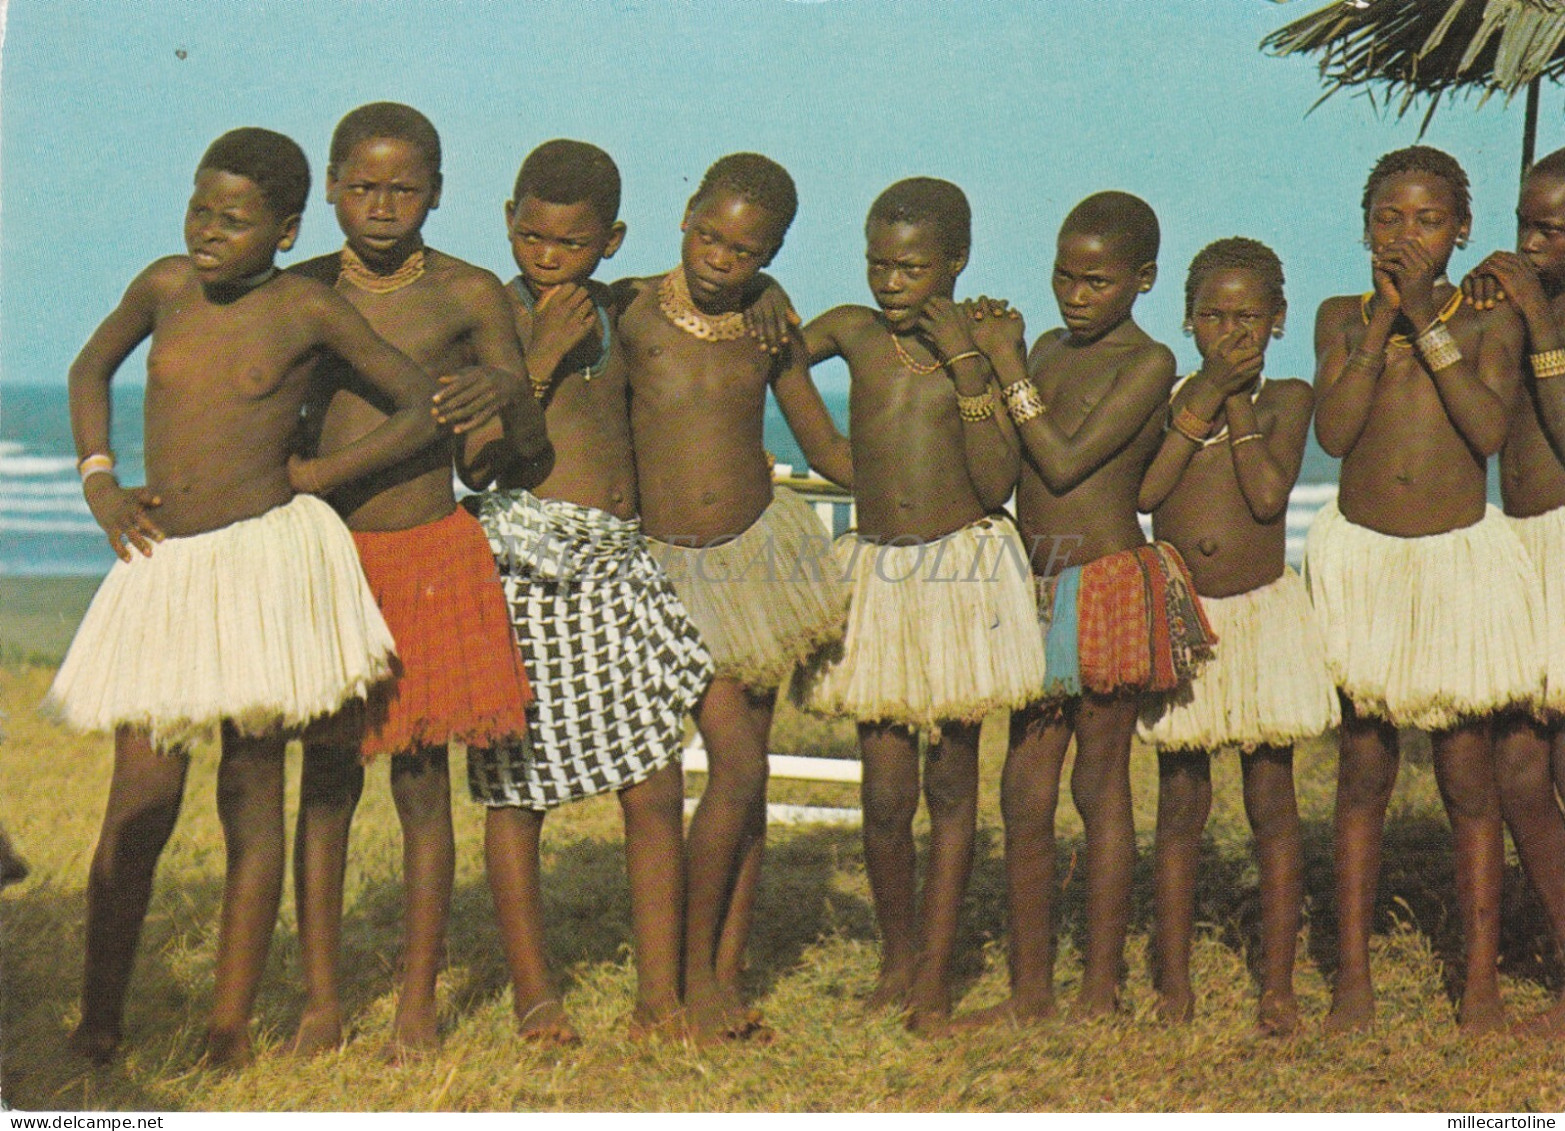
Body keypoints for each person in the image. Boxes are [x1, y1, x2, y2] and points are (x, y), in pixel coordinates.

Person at [47, 127, 441, 1066]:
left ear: (287, 227)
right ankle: (99, 1016)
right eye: (198, 208)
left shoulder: (309, 310)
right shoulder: (163, 287)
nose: (208, 231)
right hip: (164, 565)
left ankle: (227, 1025)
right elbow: (88, 368)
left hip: (262, 568)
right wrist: (100, 481)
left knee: (251, 791)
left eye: (235, 219)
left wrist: (320, 472)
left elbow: (420, 401)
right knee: (139, 794)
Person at [287, 102, 550, 1059]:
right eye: (362, 184)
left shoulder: (471, 293)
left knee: (421, 783)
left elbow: (504, 459)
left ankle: (414, 1004)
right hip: (326, 558)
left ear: (436, 191)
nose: (382, 203)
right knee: (322, 781)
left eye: (403, 187)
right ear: (328, 186)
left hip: (429, 550)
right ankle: (320, 1002)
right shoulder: (301, 288)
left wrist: (509, 399)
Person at [467, 138, 714, 1044]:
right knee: (515, 788)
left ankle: (659, 995)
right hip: (524, 564)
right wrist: (535, 359)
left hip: (618, 563)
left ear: (609, 241)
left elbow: (715, 290)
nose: (545, 256)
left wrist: (767, 307)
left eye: (568, 244)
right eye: (530, 236)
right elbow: (477, 459)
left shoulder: (621, 303)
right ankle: (536, 995)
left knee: (652, 780)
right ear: (507, 222)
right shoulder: (485, 310)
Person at [793, 178, 1045, 1033]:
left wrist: (971, 358)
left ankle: (936, 970)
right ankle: (897, 958)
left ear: (955, 264)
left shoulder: (978, 341)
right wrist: (834, 456)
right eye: (877, 263)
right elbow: (774, 354)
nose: (889, 282)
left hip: (962, 576)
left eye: (910, 267)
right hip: (879, 574)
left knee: (951, 781)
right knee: (884, 792)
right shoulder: (851, 331)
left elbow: (994, 478)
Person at [958, 190, 1211, 1026]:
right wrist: (989, 363)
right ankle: (1030, 991)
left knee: (1096, 786)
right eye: (1064, 276)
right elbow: (1010, 463)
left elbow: (1064, 464)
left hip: (1101, 583)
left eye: (1097, 281)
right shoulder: (1046, 346)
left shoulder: (1149, 362)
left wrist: (1006, 365)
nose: (1075, 294)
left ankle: (1097, 989)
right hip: (1037, 585)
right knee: (1022, 792)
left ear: (1141, 279)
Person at [617, 152, 852, 1042]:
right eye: (709, 235)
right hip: (659, 564)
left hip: (752, 560)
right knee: (707, 772)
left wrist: (938, 496)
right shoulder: (630, 309)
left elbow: (822, 442)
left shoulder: (768, 317)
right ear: (683, 216)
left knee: (742, 773)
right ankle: (670, 981)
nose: (721, 257)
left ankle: (719, 970)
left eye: (746, 249)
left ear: (774, 250)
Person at [1307, 145, 1534, 1034]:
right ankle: (1352, 979)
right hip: (1363, 556)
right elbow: (1331, 431)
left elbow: (1483, 430)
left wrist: (1427, 326)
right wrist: (1378, 328)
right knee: (1363, 767)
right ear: (1364, 228)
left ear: (1461, 230)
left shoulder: (1484, 321)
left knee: (1465, 774)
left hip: (1454, 559)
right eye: (1389, 219)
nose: (1407, 235)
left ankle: (1477, 984)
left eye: (1427, 220)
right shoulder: (1339, 316)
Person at [1137, 237, 1336, 1035]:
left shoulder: (1287, 396)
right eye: (1214, 316)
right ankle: (1173, 981)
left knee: (1270, 800)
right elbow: (1149, 491)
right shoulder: (1172, 398)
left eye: (1248, 316)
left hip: (1259, 613)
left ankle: (1276, 986)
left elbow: (1263, 496)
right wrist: (1203, 397)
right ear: (1187, 320)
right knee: (1180, 801)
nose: (1230, 331)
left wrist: (1237, 397)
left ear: (1278, 320)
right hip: (1190, 616)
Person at [1461, 146, 1565, 1035]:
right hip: (1519, 552)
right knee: (1518, 764)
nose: (1529, 241)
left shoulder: (1543, 313)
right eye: (1523, 223)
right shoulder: (1513, 302)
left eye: (1550, 229)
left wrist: (1537, 323)